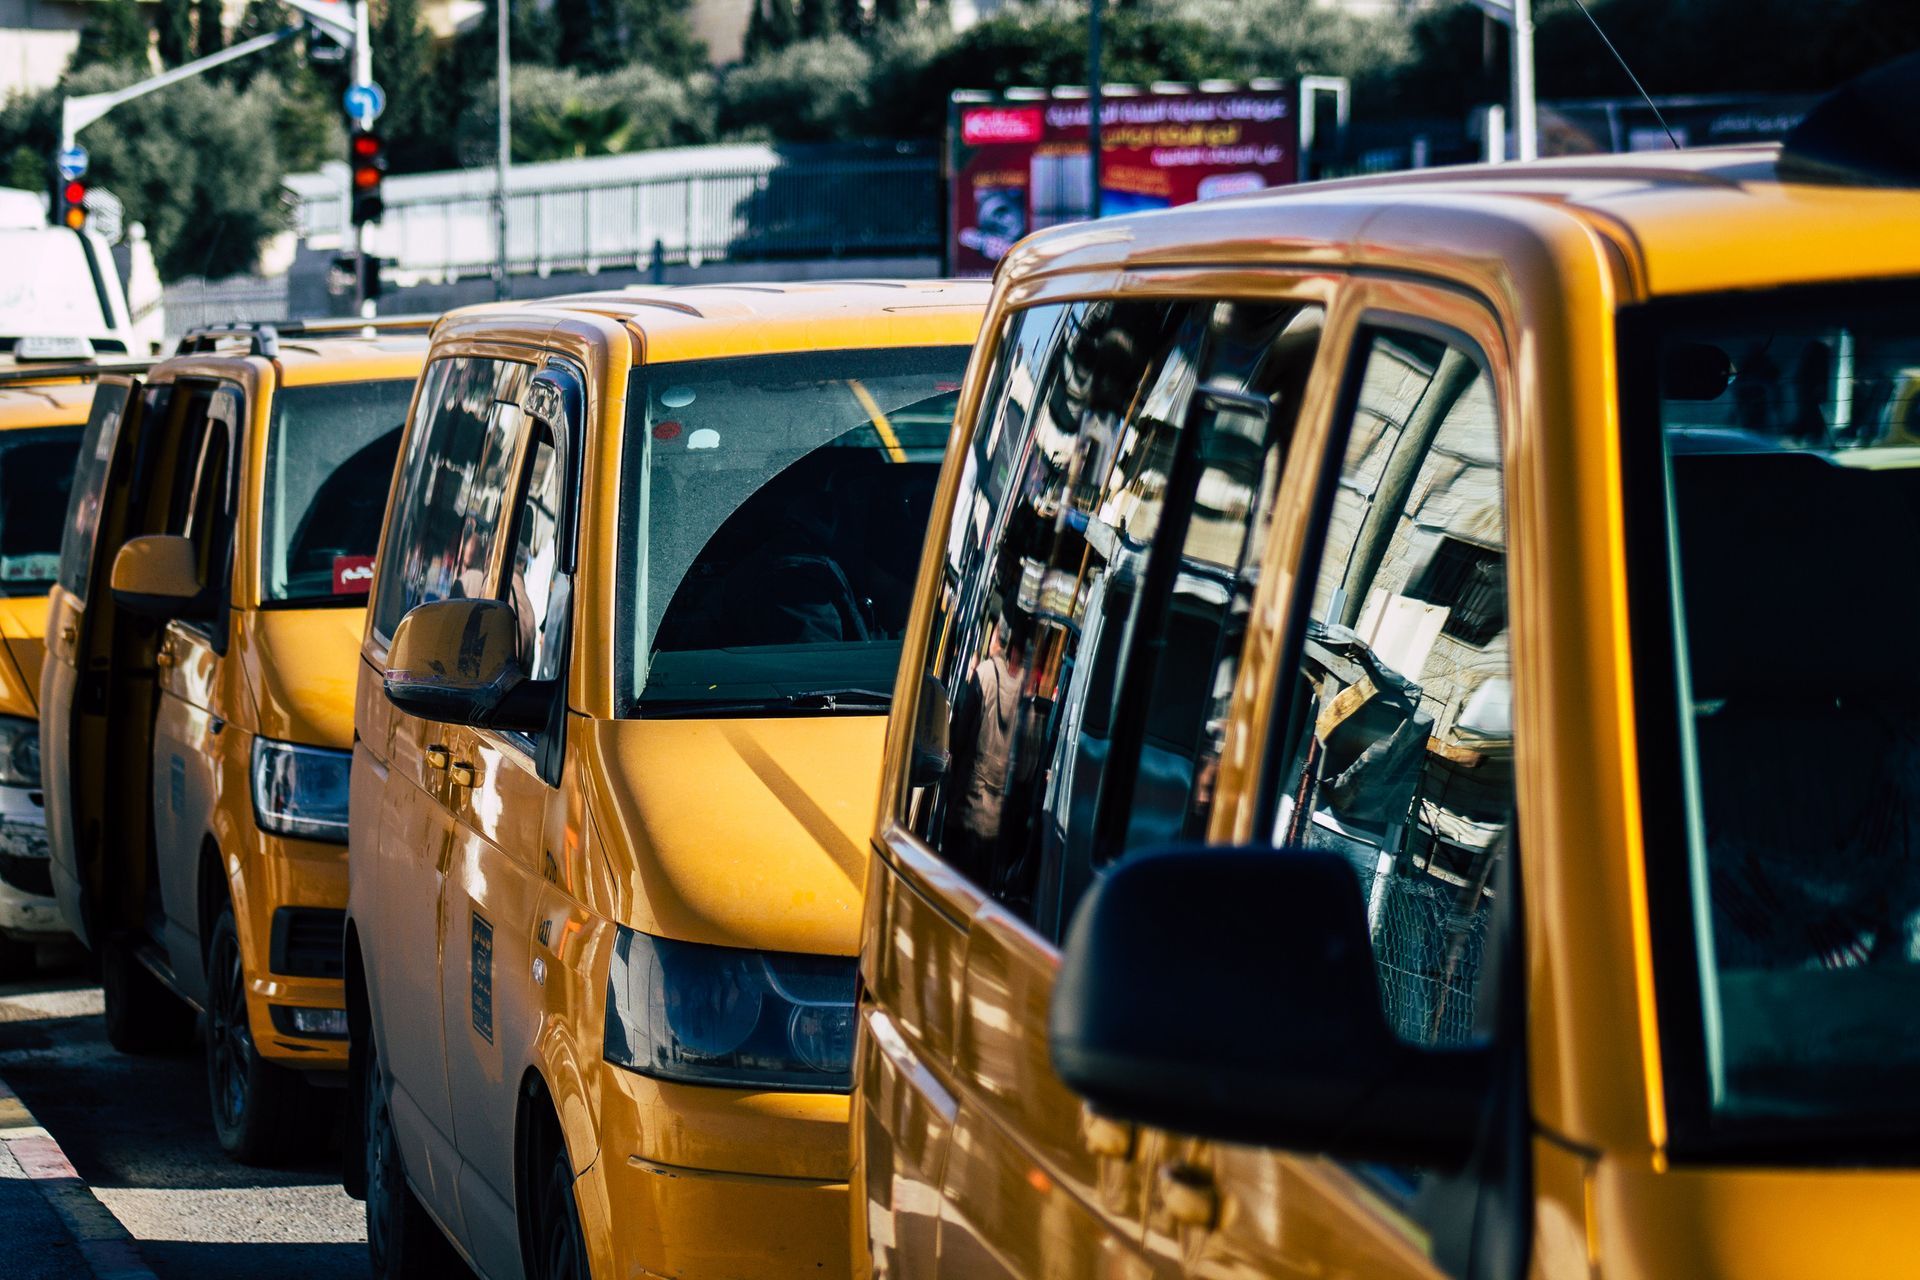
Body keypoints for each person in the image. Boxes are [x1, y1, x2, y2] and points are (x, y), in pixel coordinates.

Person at [945, 611, 1030, 886]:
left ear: (998, 638)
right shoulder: (1025, 690)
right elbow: (1027, 766)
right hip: (996, 825)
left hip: (966, 811)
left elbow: (957, 739)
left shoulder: (983, 675)